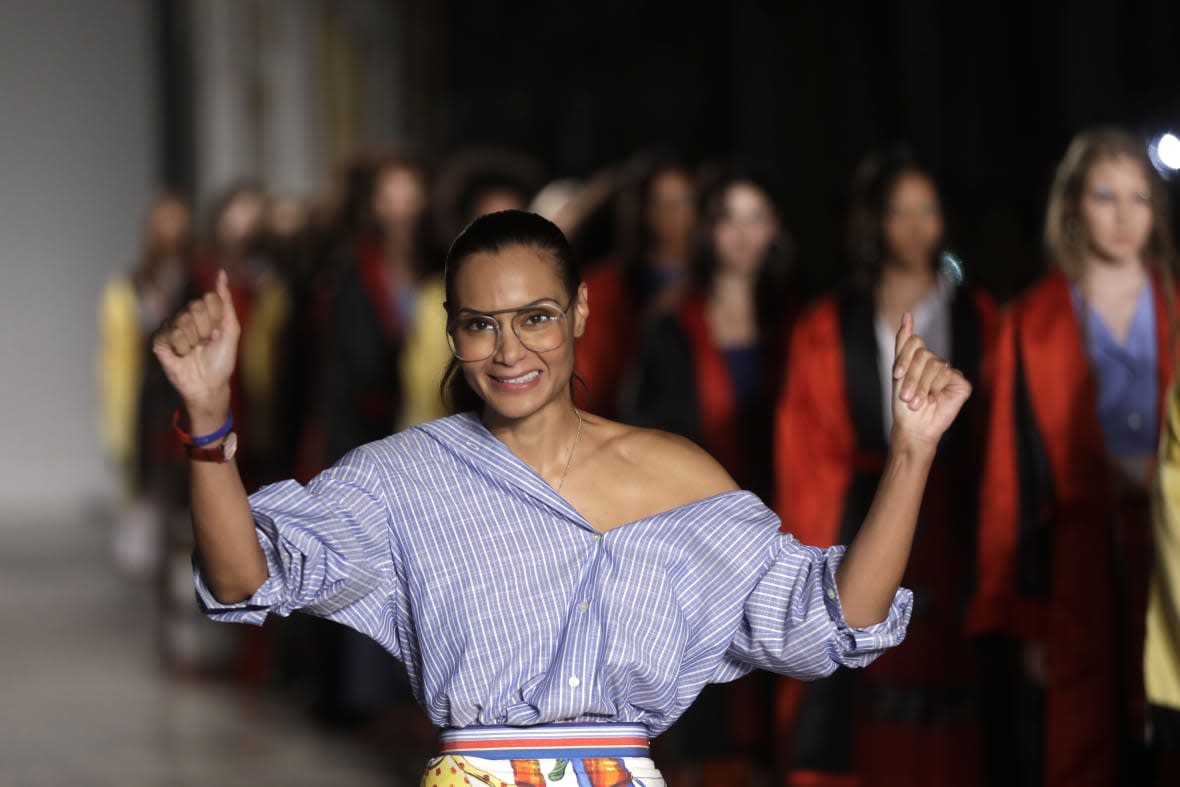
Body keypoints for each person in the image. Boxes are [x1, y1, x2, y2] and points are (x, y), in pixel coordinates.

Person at [152, 210, 969, 785]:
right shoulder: (403, 481)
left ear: (578, 310)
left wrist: (910, 454)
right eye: (480, 324)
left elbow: (834, 619)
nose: (509, 350)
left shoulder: (678, 478)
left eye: (536, 316)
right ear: (452, 330)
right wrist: (207, 421)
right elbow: (240, 579)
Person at [774, 149, 996, 787]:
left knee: (957, 682)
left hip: (956, 514)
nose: (915, 226)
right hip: (861, 506)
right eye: (899, 211)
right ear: (875, 221)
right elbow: (807, 446)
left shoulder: (977, 314)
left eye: (928, 209)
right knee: (861, 676)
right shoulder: (827, 322)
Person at [971, 128, 1178, 787]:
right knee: (1083, 743)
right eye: (1105, 196)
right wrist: (1024, 616)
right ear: (1072, 208)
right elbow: (1009, 478)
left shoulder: (1175, 303)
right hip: (1074, 561)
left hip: (1171, 546)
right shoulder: (1031, 323)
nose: (1123, 216)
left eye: (1139, 198)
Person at [576, 158, 697, 418]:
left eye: (683, 201)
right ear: (640, 209)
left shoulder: (712, 286)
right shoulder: (603, 289)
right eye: (659, 203)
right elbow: (588, 381)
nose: (671, 214)